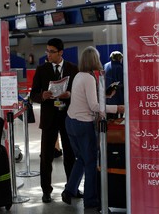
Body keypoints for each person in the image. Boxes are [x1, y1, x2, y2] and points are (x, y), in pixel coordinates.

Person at [30, 38, 80, 203]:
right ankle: (46, 191)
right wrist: (42, 96)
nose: (48, 54)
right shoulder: (42, 69)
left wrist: (70, 94)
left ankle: (71, 188)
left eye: (52, 51)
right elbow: (33, 95)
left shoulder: (73, 69)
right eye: (47, 51)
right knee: (46, 157)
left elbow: (78, 92)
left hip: (68, 117)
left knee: (70, 155)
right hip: (49, 118)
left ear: (60, 52)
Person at [61, 46, 105, 209]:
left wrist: (104, 96)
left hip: (71, 122)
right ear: (95, 59)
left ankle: (69, 190)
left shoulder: (79, 75)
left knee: (80, 159)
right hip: (83, 125)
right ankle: (90, 200)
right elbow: (94, 106)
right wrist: (117, 108)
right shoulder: (89, 78)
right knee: (91, 162)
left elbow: (83, 98)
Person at [104, 51, 124, 119]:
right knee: (118, 120)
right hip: (118, 98)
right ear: (119, 58)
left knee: (109, 119)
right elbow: (121, 83)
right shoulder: (119, 67)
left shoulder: (105, 65)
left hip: (107, 98)